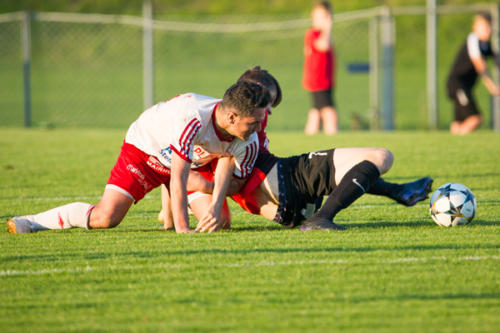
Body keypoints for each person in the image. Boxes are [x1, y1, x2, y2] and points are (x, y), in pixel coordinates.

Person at [166, 70, 433, 231]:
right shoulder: (238, 128)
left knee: (354, 169)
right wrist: (203, 193)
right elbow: (216, 169)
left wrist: (179, 201)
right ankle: (323, 218)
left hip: (286, 212)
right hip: (287, 179)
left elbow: (170, 166)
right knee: (381, 156)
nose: (268, 111)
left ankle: (396, 191)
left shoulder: (225, 126)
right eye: (267, 103)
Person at [6, 81, 270, 234]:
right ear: (231, 117)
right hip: (146, 151)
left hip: (186, 165)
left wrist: (210, 198)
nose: (259, 127)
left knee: (219, 224)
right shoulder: (191, 117)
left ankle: (171, 216)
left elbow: (230, 171)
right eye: (253, 122)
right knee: (106, 218)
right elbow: (177, 176)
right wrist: (183, 228)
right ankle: (32, 222)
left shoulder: (246, 137)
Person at [157, 66, 282, 231]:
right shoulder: (227, 116)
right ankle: (180, 207)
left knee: (227, 214)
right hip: (205, 168)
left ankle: (286, 215)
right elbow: (175, 166)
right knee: (226, 216)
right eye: (268, 102)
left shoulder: (255, 119)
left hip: (218, 171)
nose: (270, 110)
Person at [447, 12, 500, 135]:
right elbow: (480, 65)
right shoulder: (473, 40)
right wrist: (492, 87)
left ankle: (452, 146)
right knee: (475, 118)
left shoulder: (486, 45)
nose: (488, 30)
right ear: (475, 27)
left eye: (490, 26)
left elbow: (497, 61)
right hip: (457, 85)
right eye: (484, 27)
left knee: (458, 123)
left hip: (465, 87)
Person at [303, 1, 338, 135]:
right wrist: (328, 28)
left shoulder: (323, 34)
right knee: (329, 110)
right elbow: (323, 46)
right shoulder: (313, 33)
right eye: (321, 16)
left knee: (316, 111)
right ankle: (333, 135)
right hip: (318, 81)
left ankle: (309, 135)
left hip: (324, 80)